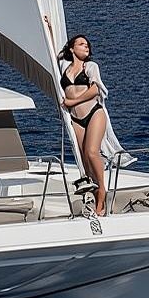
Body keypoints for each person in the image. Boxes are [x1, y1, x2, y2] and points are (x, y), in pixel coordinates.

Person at [59, 34, 124, 215]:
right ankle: (94, 194)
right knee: (83, 159)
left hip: (94, 113)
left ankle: (102, 191)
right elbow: (53, 48)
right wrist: (48, 25)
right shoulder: (65, 67)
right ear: (72, 49)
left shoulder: (91, 66)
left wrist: (72, 102)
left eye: (87, 45)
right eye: (81, 44)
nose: (86, 47)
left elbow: (95, 90)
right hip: (76, 119)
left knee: (92, 152)